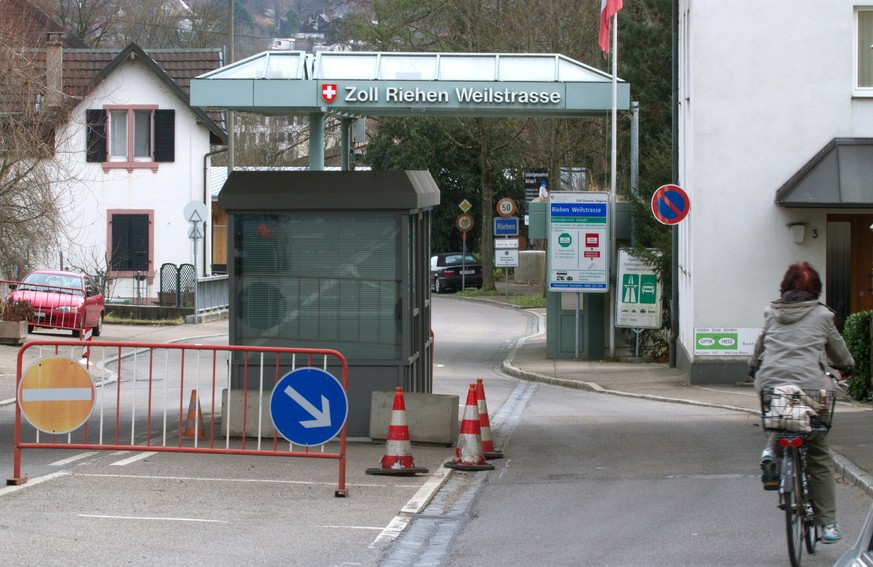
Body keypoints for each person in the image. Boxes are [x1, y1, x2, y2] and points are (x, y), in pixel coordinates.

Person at [748, 261, 855, 544]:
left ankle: (771, 452)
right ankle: (828, 525)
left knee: (781, 414)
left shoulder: (771, 312)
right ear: (816, 289)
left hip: (772, 386)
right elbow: (839, 350)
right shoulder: (822, 315)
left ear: (784, 288)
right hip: (810, 388)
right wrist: (847, 367)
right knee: (818, 451)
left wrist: (752, 367)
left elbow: (760, 346)